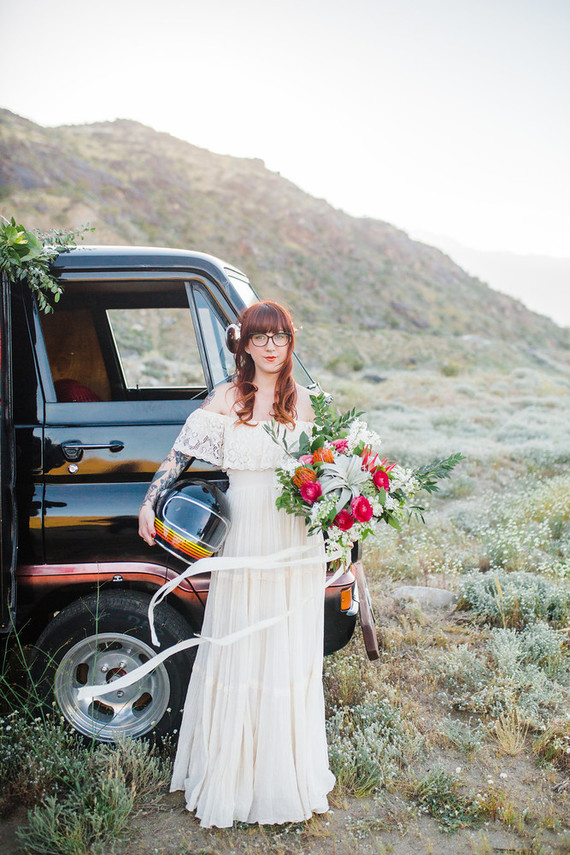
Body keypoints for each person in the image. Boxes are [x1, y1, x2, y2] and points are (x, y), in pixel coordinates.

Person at [138, 300, 335, 828]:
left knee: (289, 651)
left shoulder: (308, 402)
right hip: (247, 534)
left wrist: (345, 519)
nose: (272, 347)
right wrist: (150, 501)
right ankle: (233, 777)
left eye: (281, 337)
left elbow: (329, 474)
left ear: (291, 343)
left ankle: (285, 776)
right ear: (245, 344)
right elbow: (178, 458)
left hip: (296, 538)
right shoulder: (227, 398)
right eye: (261, 338)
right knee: (243, 642)